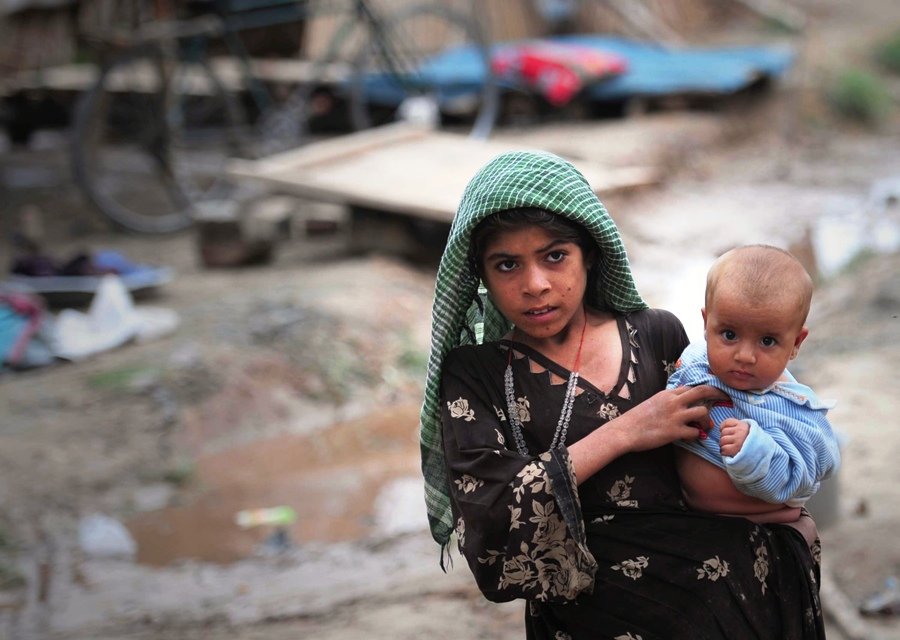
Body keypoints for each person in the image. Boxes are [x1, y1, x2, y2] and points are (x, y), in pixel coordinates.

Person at [419, 150, 826, 639]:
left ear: (589, 253)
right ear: (481, 276)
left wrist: (789, 524)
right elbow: (490, 524)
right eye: (507, 264)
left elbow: (760, 424)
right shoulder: (476, 375)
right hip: (593, 616)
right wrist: (628, 431)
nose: (536, 285)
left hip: (739, 598)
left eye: (555, 256)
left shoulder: (656, 335)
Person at [667, 245, 841, 525]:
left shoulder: (788, 406)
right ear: (706, 322)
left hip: (754, 520)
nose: (745, 356)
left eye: (767, 341)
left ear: (796, 343)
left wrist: (753, 448)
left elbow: (811, 468)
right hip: (690, 515)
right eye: (729, 334)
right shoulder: (696, 360)